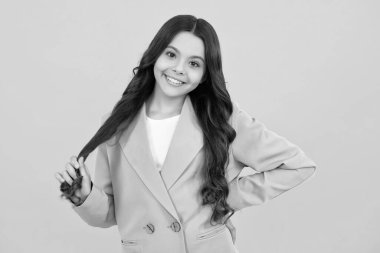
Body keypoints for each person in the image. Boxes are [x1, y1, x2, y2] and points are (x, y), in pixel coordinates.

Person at [55, 14, 316, 253]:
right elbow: (112, 215)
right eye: (171, 55)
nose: (179, 68)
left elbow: (297, 166)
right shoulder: (116, 125)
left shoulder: (221, 118)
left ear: (204, 75)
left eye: (193, 63)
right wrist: (84, 197)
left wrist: (225, 198)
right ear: (155, 55)